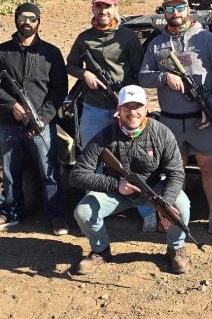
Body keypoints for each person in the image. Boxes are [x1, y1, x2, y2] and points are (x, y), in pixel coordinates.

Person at [71, 85, 191, 274]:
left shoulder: (162, 133)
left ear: (146, 109)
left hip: (154, 189)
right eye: (127, 107)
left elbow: (176, 172)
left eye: (138, 107)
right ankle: (101, 250)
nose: (132, 112)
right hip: (117, 191)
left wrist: (165, 205)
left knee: (181, 207)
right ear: (118, 110)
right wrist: (115, 184)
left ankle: (175, 248)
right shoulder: (105, 135)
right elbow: (77, 175)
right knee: (84, 212)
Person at [139, 0, 212, 236]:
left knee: (207, 165)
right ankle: (173, 215)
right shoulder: (156, 44)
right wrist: (164, 77)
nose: (175, 13)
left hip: (202, 118)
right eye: (169, 8)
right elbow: (143, 76)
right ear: (164, 11)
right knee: (174, 169)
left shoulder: (207, 39)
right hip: (170, 119)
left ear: (188, 8)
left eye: (180, 7)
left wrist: (209, 106)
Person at [65, 0, 154, 231]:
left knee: (133, 162)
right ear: (92, 8)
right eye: (98, 6)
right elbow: (71, 64)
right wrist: (85, 74)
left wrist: (128, 106)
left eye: (107, 6)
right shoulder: (84, 38)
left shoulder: (128, 37)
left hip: (124, 110)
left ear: (115, 8)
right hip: (93, 109)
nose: (103, 11)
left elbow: (138, 73)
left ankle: (147, 211)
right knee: (90, 162)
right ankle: (91, 214)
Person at [0, 2, 68, 235]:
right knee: (10, 171)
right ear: (15, 20)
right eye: (22, 17)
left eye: (32, 18)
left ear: (39, 22)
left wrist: (42, 118)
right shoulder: (2, 51)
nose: (27, 22)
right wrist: (11, 106)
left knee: (49, 171)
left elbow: (59, 90)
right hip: (9, 123)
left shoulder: (51, 53)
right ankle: (10, 212)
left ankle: (56, 216)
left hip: (42, 124)